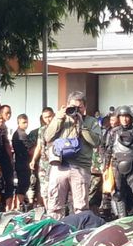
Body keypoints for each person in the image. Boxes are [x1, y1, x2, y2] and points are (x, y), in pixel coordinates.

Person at [42, 91, 104, 219]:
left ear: (84, 108)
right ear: (67, 105)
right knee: (54, 206)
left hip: (80, 167)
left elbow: (96, 142)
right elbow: (47, 137)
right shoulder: (61, 119)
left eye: (79, 107)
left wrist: (82, 125)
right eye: (72, 107)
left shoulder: (91, 122)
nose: (75, 110)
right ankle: (54, 233)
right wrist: (58, 118)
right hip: (59, 165)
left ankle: (79, 234)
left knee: (81, 207)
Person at [102, 106, 133, 218]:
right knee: (118, 194)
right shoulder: (113, 133)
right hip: (116, 167)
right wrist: (105, 169)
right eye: (122, 117)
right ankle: (122, 220)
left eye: (127, 116)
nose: (125, 119)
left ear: (131, 117)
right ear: (119, 118)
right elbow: (108, 151)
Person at [11, 113, 33, 210]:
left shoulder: (18, 133)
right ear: (18, 122)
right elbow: (30, 149)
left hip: (20, 162)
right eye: (24, 122)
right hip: (23, 163)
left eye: (27, 122)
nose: (26, 124)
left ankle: (17, 205)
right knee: (23, 184)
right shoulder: (21, 134)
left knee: (22, 184)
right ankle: (19, 206)